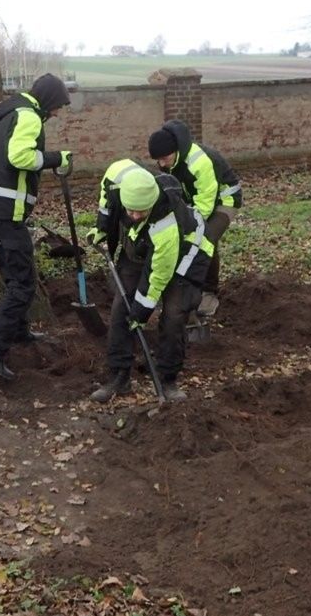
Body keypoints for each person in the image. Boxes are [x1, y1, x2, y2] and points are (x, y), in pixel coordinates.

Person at [0, 73, 73, 381]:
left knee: (15, 276)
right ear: (48, 100)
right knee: (23, 283)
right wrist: (57, 158)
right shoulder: (28, 117)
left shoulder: (9, 111)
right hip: (7, 214)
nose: (57, 113)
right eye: (57, 106)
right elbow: (19, 157)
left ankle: (19, 332)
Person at [87, 165, 212, 403]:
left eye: (141, 211)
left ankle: (168, 378)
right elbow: (106, 203)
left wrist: (142, 312)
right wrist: (101, 228)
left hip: (185, 255)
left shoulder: (165, 223)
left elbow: (158, 275)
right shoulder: (116, 181)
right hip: (142, 245)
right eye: (130, 211)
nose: (134, 216)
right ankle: (119, 376)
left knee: (174, 313)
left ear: (152, 203)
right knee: (122, 308)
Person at [146, 120, 241, 319]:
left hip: (223, 200)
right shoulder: (170, 161)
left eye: (164, 158)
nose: (161, 164)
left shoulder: (199, 162)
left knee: (206, 238)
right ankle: (176, 289)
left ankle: (208, 293)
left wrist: (186, 228)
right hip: (194, 200)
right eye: (158, 160)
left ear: (176, 151)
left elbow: (205, 205)